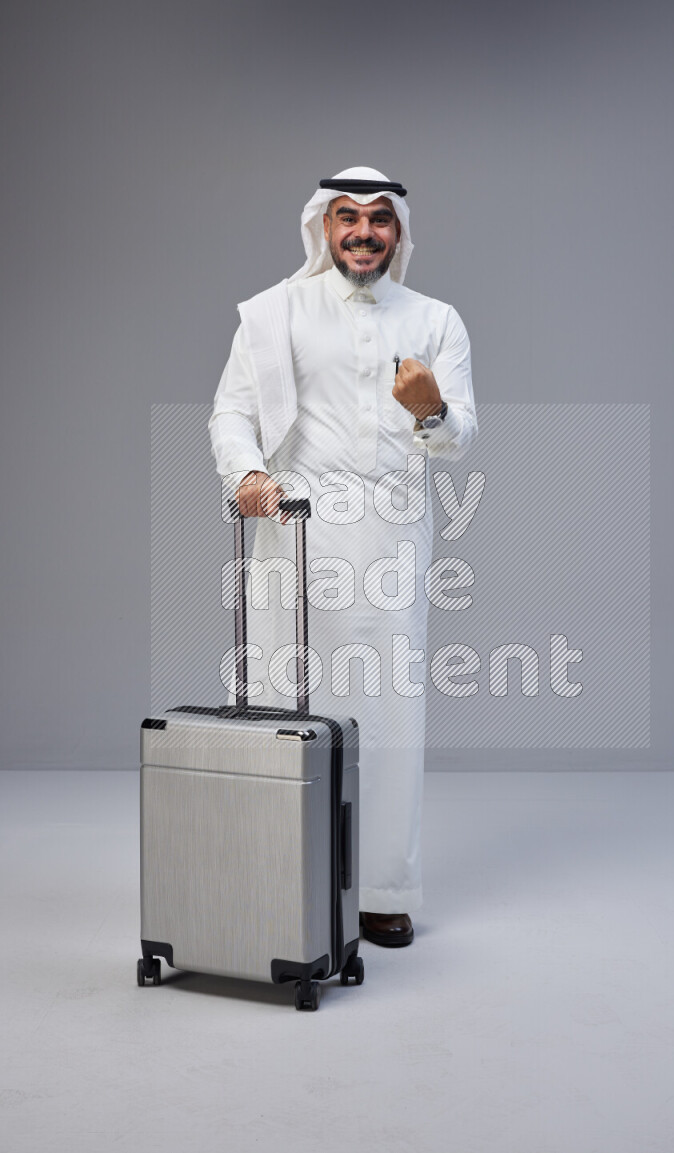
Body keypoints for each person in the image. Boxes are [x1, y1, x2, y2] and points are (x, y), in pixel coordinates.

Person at [208, 166, 477, 947]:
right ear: (323, 228)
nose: (364, 232)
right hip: (294, 531)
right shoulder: (273, 313)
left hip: (391, 537)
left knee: (389, 714)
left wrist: (431, 408)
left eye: (380, 219)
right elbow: (230, 410)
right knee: (283, 702)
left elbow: (460, 438)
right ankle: (280, 873)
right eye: (348, 217)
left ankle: (383, 890)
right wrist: (247, 472)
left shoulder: (436, 320)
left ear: (399, 232)